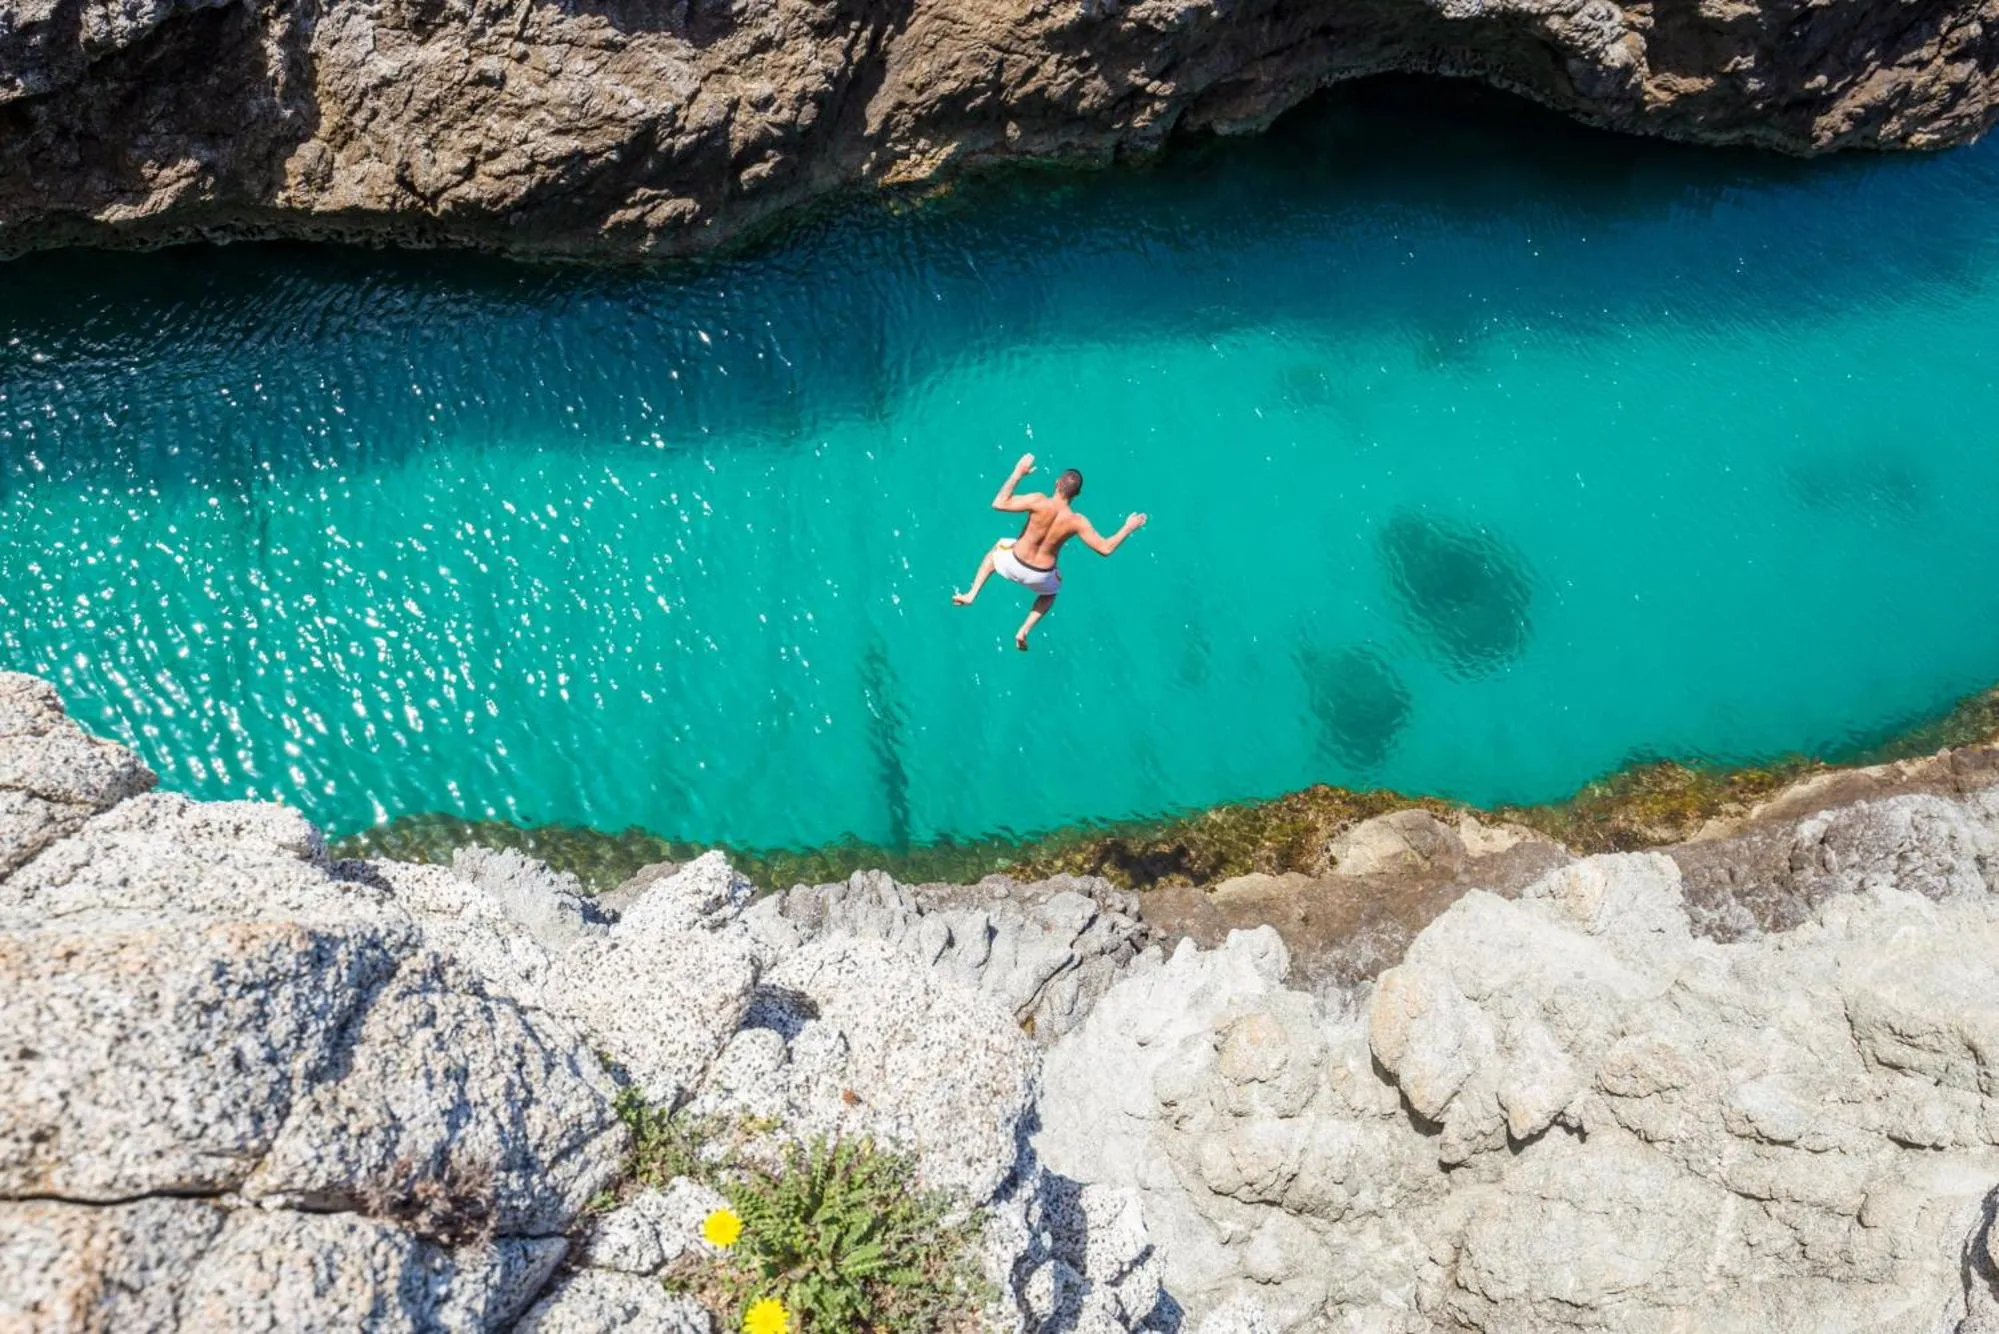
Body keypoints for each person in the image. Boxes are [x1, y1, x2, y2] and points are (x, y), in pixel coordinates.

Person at [951, 453, 1148, 650]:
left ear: (1056, 483)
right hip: (1040, 576)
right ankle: (1024, 630)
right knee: (1051, 594)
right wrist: (1128, 527)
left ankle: (972, 594)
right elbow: (1106, 548)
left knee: (997, 549)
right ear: (1076, 495)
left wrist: (1018, 473)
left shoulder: (1039, 501)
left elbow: (999, 503)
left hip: (1014, 561)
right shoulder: (1077, 521)